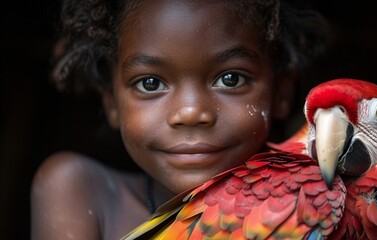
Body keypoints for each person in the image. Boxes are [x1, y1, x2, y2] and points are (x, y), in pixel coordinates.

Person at [30, 0, 330, 239]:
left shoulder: (314, 215)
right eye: (150, 83)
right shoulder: (82, 192)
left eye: (230, 78)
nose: (190, 113)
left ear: (281, 93)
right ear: (112, 102)